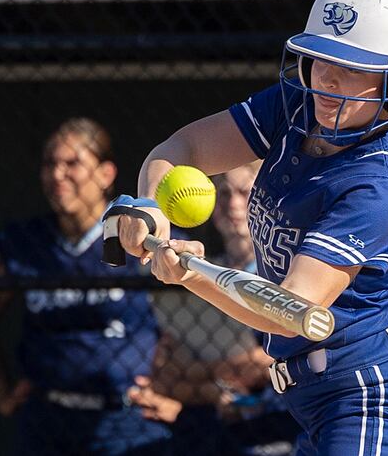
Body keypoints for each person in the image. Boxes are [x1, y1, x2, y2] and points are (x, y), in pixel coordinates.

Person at [109, 0, 388, 455]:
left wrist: (189, 276)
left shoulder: (376, 187)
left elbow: (291, 313)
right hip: (315, 401)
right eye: (321, 59)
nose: (326, 78)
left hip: (375, 398)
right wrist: (149, 204)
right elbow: (183, 147)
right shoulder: (297, 107)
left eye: (353, 67)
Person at [0, 118, 172, 455]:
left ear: (106, 174)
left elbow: (192, 321)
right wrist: (1, 393)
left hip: (128, 423)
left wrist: (175, 386)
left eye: (72, 163)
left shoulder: (137, 236)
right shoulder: (26, 242)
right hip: (48, 421)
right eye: (50, 164)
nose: (57, 175)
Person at [128, 163, 301, 455]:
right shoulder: (196, 273)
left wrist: (205, 374)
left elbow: (278, 358)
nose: (233, 204)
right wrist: (221, 383)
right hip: (216, 429)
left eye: (245, 192)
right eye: (223, 194)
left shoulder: (295, 272)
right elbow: (165, 375)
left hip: (284, 425)